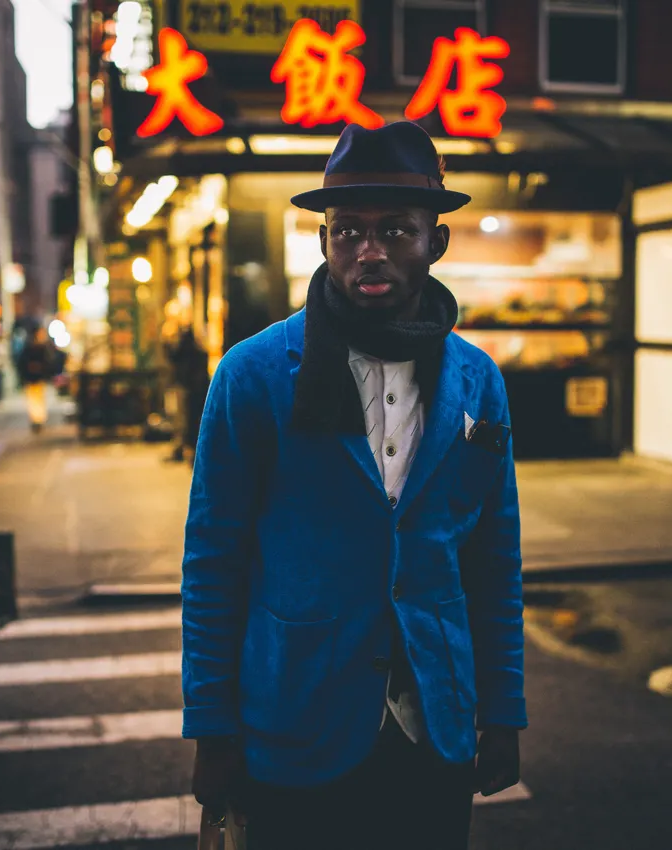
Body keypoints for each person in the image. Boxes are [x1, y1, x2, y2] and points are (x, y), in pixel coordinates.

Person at [182, 122, 525, 850]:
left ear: (435, 242)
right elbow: (214, 563)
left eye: (396, 229)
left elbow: (494, 563)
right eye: (348, 232)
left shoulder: (478, 382)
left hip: (433, 727)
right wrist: (212, 727)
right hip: (297, 725)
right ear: (324, 242)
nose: (369, 250)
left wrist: (504, 714)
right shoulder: (252, 376)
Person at [165, 326, 210, 463]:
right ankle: (189, 451)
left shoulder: (184, 351)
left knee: (184, 420)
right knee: (191, 420)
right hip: (195, 389)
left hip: (186, 387)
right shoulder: (199, 352)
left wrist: (166, 341)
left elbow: (173, 356)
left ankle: (185, 450)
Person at [16, 326, 59, 434]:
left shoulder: (42, 347)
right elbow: (22, 362)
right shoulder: (31, 347)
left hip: (38, 378)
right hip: (32, 378)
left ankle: (38, 419)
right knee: (34, 398)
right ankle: (37, 419)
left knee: (38, 398)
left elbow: (49, 362)